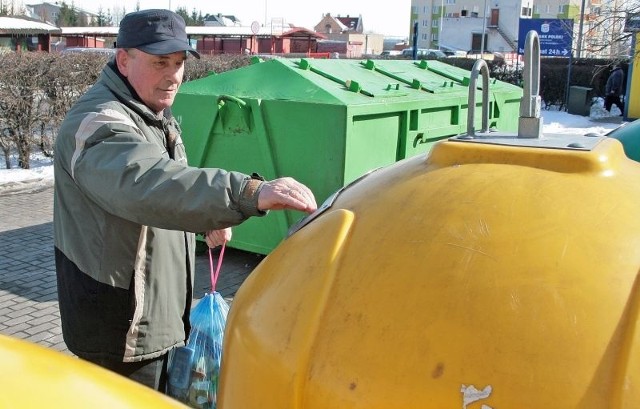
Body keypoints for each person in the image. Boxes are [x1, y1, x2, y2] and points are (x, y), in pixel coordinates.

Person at [53, 9, 317, 393]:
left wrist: (205, 218)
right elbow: (149, 184)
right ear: (124, 60)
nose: (174, 75)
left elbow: (167, 197)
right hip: (120, 332)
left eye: (178, 63)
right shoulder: (98, 124)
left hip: (156, 320)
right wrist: (246, 193)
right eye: (161, 62)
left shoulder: (152, 113)